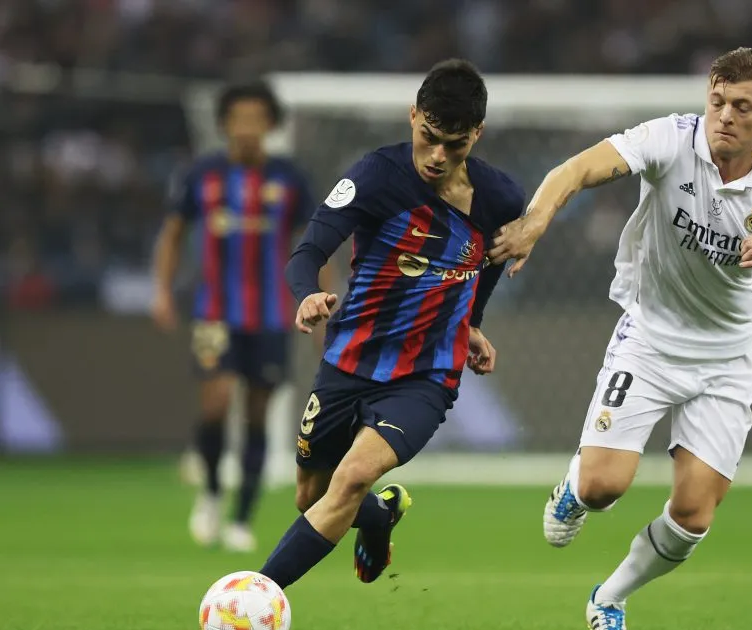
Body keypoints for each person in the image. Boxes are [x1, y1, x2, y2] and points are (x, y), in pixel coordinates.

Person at [488, 47, 752, 630]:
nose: (725, 116)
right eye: (718, 101)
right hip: (649, 338)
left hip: (726, 359)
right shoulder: (671, 141)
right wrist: (537, 221)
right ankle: (574, 489)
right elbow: (574, 169)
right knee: (604, 488)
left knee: (694, 514)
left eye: (742, 107)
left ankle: (610, 598)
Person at [257, 58, 525, 589]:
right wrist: (307, 293)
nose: (438, 156)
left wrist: (470, 322)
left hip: (425, 376)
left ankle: (252, 595)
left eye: (455, 145)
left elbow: (486, 266)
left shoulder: (501, 199)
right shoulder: (376, 175)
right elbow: (307, 251)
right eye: (429, 138)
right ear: (412, 118)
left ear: (477, 135)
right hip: (349, 360)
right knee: (312, 495)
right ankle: (378, 516)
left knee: (352, 475)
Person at [152, 81, 320, 552]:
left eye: (257, 119)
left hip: (269, 316)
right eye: (238, 119)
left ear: (271, 125)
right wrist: (162, 291)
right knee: (216, 403)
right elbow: (172, 233)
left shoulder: (290, 178)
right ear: (225, 124)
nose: (247, 128)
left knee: (258, 414)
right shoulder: (201, 174)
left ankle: (242, 517)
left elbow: (315, 241)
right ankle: (209, 491)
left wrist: (321, 298)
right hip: (214, 314)